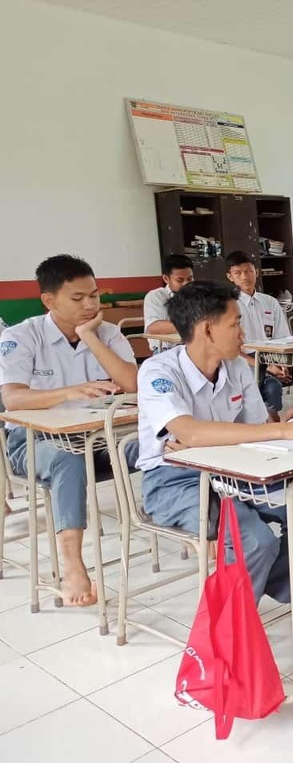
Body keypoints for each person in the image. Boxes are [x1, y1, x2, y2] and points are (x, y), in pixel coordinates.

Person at [136, 281, 293, 603]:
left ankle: (262, 590)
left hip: (235, 470)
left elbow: (252, 429)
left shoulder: (236, 367)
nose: (243, 333)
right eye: (235, 323)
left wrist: (208, 442)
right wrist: (283, 431)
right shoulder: (158, 370)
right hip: (175, 482)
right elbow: (189, 433)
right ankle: (232, 622)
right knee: (256, 541)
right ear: (207, 330)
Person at [0, 254, 138, 606]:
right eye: (78, 299)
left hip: (99, 436)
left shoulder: (106, 332)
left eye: (94, 295)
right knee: (68, 461)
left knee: (160, 443)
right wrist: (68, 393)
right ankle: (73, 564)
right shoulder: (22, 336)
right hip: (34, 441)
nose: (91, 304)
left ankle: (194, 527)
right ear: (49, 300)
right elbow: (13, 400)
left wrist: (89, 337)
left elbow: (134, 385)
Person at [223, 250, 293, 421]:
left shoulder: (270, 302)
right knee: (271, 386)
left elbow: (282, 338)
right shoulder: (228, 305)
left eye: (249, 271)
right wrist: (266, 368)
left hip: (276, 357)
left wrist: (283, 364)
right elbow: (230, 350)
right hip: (246, 360)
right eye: (238, 273)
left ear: (256, 272)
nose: (245, 276)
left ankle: (288, 416)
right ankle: (273, 422)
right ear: (230, 277)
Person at [144, 254, 194, 350]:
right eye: (180, 280)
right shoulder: (156, 296)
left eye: (190, 279)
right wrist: (194, 325)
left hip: (193, 349)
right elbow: (154, 327)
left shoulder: (199, 294)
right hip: (165, 351)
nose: (186, 284)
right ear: (166, 279)